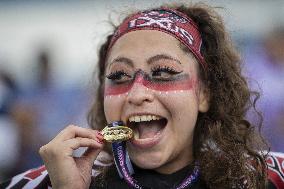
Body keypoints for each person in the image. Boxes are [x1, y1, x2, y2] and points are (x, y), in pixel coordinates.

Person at [1, 3, 284, 189]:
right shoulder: (43, 183)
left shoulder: (265, 177)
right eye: (119, 76)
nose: (136, 93)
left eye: (162, 72)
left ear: (204, 93)